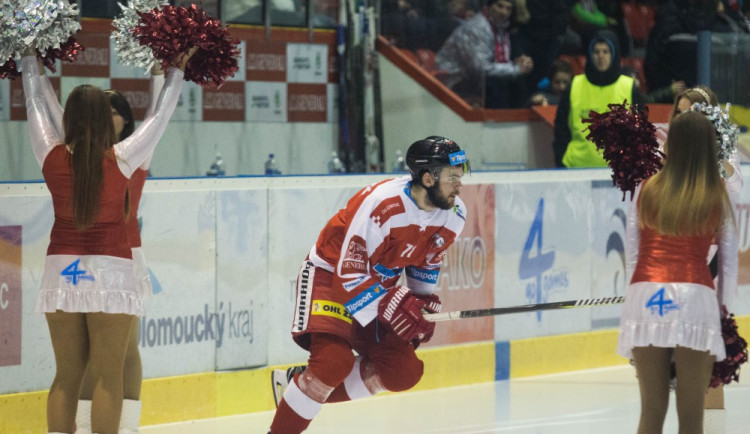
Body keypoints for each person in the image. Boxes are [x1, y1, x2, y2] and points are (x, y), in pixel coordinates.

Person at [21, 46, 190, 434]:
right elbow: (160, 116)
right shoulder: (124, 157)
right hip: (112, 269)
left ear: (69, 118)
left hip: (61, 269)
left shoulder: (49, 154)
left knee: (65, 376)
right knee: (107, 376)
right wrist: (174, 72)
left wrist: (30, 62)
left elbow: (34, 104)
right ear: (103, 118)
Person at [268, 136, 470, 433]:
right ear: (428, 178)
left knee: (402, 372)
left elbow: (425, 261)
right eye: (452, 177)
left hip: (377, 287)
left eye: (460, 176)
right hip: (330, 275)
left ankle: (300, 387)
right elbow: (349, 273)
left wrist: (420, 306)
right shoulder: (382, 205)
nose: (459, 185)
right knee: (332, 364)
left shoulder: (454, 214)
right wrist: (391, 305)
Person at [618, 110, 738, 433]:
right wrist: (723, 314)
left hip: (646, 295)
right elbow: (727, 265)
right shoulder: (716, 192)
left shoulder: (647, 188)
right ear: (707, 148)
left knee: (651, 412)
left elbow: (633, 253)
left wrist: (635, 296)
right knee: (691, 416)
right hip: (695, 298)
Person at [669, 86, 742, 434]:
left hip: (706, 276)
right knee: (669, 387)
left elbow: (734, 185)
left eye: (694, 113)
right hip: (667, 280)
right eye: (680, 112)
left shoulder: (725, 161)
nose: (686, 119)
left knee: (710, 376)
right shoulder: (661, 157)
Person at [551, 30, 645, 167]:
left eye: (605, 52)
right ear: (590, 54)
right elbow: (561, 130)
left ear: (614, 54)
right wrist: (561, 161)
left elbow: (640, 133)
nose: (601, 56)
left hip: (619, 172)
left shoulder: (629, 88)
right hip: (576, 169)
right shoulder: (574, 86)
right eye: (596, 52)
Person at [436, 0, 534, 108]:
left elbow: (499, 61)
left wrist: (518, 63)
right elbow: (481, 68)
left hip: (474, 80)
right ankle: (502, 120)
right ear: (488, 7)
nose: (503, 12)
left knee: (518, 81)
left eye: (508, 9)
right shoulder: (477, 28)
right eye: (500, 6)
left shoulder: (500, 27)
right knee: (500, 83)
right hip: (455, 79)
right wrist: (515, 69)